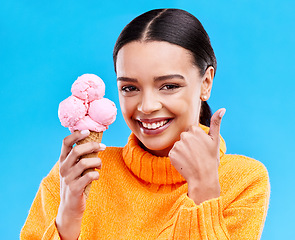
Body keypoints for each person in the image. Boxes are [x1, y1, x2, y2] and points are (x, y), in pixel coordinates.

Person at [21, 8, 270, 239]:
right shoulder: (77, 174)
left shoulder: (243, 180)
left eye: (169, 86)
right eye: (130, 88)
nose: (146, 106)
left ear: (206, 83)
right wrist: (68, 220)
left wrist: (204, 191)